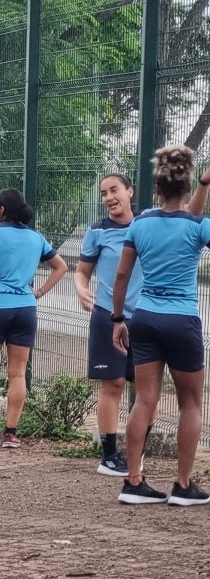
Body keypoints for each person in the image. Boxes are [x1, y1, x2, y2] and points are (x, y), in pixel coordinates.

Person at [113, 146, 210, 505]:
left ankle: (133, 481)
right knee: (191, 403)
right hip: (181, 320)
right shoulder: (198, 226)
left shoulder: (139, 224)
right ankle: (183, 485)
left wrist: (117, 318)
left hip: (145, 318)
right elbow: (192, 222)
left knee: (145, 399)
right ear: (185, 188)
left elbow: (123, 274)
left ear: (156, 189)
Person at [0, 187, 67, 449]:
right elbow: (61, 266)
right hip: (25, 308)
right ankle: (11, 433)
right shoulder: (36, 238)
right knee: (18, 373)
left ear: (2, 209)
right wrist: (39, 291)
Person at [74, 174, 143, 476]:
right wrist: (80, 287)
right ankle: (109, 456)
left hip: (144, 317)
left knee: (144, 386)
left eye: (114, 190)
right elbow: (82, 271)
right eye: (103, 193)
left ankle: (137, 454)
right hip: (107, 314)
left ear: (130, 191)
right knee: (112, 383)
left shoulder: (146, 225)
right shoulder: (98, 230)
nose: (109, 197)